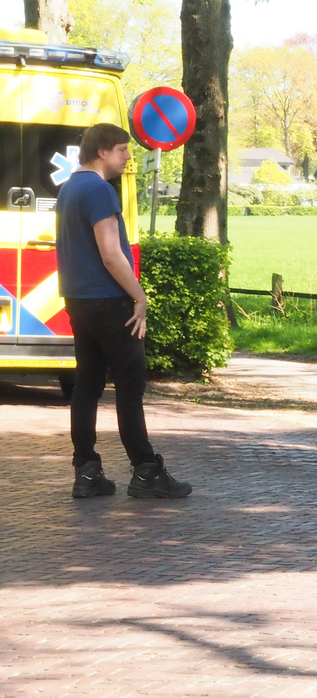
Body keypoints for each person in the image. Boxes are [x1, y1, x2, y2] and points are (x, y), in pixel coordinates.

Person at [56, 123, 191, 499]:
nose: (128, 156)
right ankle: (146, 472)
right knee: (130, 388)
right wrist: (139, 296)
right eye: (122, 150)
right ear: (102, 151)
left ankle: (86, 471)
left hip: (77, 300)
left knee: (86, 386)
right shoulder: (100, 190)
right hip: (110, 301)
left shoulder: (67, 189)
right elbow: (112, 254)